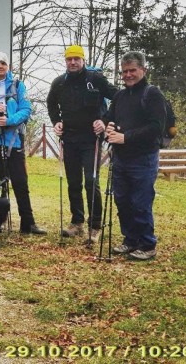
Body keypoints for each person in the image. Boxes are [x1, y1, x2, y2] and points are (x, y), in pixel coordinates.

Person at [46, 45, 119, 243]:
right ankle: (76, 222)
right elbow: (51, 104)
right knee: (73, 182)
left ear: (83, 60)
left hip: (91, 139)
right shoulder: (59, 83)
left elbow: (118, 98)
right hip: (69, 138)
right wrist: (56, 122)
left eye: (76, 59)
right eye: (69, 59)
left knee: (91, 181)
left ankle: (95, 226)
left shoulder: (95, 79)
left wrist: (104, 121)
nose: (73, 62)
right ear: (65, 61)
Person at [0, 52, 47, 235]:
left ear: (8, 66)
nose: (0, 66)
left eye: (3, 63)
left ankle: (28, 223)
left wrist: (9, 120)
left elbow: (26, 110)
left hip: (14, 142)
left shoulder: (18, 86)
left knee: (20, 182)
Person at [104, 51, 166, 261]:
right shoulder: (120, 96)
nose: (128, 75)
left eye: (132, 70)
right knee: (122, 201)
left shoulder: (153, 94)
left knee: (140, 202)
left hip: (144, 158)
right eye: (124, 71)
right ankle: (130, 240)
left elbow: (156, 127)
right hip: (120, 158)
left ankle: (147, 244)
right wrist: (107, 128)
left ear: (143, 70)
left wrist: (125, 137)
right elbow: (108, 118)